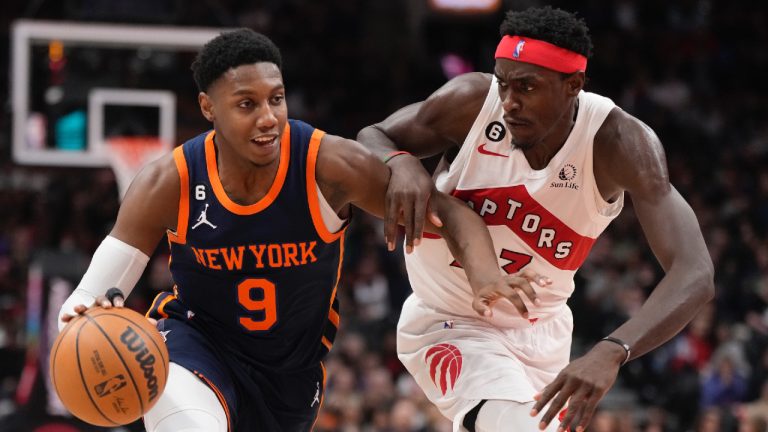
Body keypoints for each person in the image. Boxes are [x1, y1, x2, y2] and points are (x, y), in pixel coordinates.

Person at [56, 29, 546, 432]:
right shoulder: (169, 181)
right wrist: (83, 320)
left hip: (290, 378)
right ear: (208, 107)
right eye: (246, 104)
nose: (268, 117)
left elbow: (450, 212)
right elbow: (85, 298)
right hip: (196, 345)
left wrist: (485, 275)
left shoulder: (328, 165)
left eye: (276, 98)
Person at [357, 6, 714, 432]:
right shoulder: (472, 103)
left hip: (544, 334)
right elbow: (373, 135)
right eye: (503, 82)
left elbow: (695, 272)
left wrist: (613, 348)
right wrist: (399, 161)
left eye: (526, 86)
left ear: (573, 85)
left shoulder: (619, 143)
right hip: (449, 318)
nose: (509, 102)